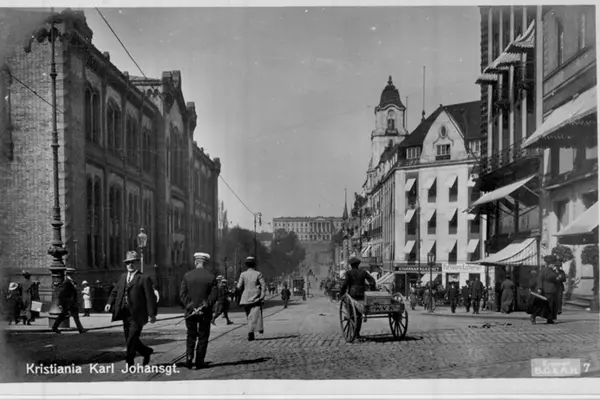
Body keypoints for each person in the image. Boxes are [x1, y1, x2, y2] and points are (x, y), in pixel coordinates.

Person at [105, 251, 157, 367]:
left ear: (137, 263)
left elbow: (150, 297)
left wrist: (152, 314)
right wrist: (109, 303)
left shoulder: (144, 278)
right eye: (128, 263)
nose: (130, 265)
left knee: (131, 338)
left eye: (133, 262)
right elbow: (115, 291)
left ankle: (130, 362)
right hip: (124, 312)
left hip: (138, 314)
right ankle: (146, 351)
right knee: (129, 338)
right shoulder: (123, 277)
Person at [179, 252, 218, 369]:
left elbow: (182, 294)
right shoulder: (211, 277)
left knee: (191, 335)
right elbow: (214, 296)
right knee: (203, 336)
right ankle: (199, 361)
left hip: (190, 313)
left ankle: (189, 359)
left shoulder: (187, 276)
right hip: (204, 313)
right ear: (205, 263)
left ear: (196, 262)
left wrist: (191, 306)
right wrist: (204, 305)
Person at [339, 256, 376, 338]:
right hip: (362, 295)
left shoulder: (349, 273)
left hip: (352, 296)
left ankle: (354, 332)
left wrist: (341, 293)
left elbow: (345, 284)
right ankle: (357, 333)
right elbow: (372, 281)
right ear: (358, 264)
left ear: (351, 265)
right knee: (359, 315)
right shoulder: (363, 272)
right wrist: (372, 290)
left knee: (353, 314)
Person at [237, 257, 267, 341]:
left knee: (248, 316)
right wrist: (262, 295)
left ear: (246, 265)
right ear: (254, 264)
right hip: (256, 297)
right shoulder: (258, 274)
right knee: (256, 314)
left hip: (246, 298)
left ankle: (251, 334)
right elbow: (263, 285)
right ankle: (257, 329)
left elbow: (238, 286)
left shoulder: (243, 274)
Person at [52, 268, 87, 334]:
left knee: (67, 316)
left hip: (71, 303)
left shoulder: (71, 282)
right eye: (73, 274)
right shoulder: (67, 282)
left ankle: (54, 327)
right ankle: (80, 329)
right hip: (68, 303)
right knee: (71, 316)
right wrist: (61, 303)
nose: (74, 275)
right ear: (70, 274)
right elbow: (62, 294)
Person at [532, 255, 564, 324]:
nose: (553, 265)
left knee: (552, 306)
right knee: (542, 305)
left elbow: (559, 278)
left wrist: (557, 274)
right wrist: (540, 288)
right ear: (549, 264)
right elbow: (539, 279)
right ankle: (533, 316)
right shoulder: (544, 270)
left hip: (553, 290)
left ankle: (550, 319)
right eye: (552, 264)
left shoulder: (555, 271)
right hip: (545, 290)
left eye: (554, 264)